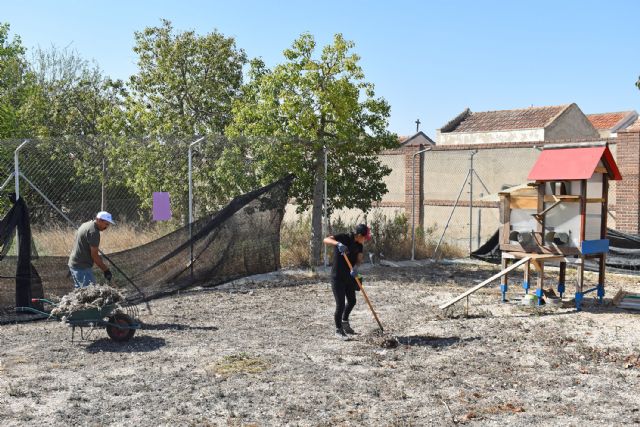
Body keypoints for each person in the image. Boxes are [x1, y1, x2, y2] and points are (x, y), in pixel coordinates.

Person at [323, 223, 371, 340]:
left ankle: (345, 322)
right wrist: (338, 244)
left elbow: (359, 260)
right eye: (365, 237)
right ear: (359, 235)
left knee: (352, 301)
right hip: (337, 277)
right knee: (340, 304)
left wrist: (355, 268)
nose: (365, 240)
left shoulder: (359, 245)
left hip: (349, 277)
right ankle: (338, 330)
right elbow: (326, 239)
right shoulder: (344, 237)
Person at [68, 211, 115, 288]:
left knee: (81, 292)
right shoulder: (94, 232)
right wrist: (106, 270)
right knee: (90, 293)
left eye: (108, 224)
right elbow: (94, 256)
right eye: (106, 224)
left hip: (75, 264)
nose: (107, 227)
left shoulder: (87, 224)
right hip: (81, 267)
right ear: (99, 220)